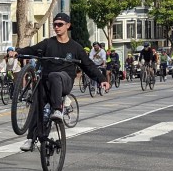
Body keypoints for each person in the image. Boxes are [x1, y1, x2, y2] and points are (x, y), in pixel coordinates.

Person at [15, 13, 108, 151]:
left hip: (64, 81)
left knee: (55, 75)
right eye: (55, 24)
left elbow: (88, 65)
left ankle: (57, 110)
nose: (57, 27)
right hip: (46, 83)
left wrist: (102, 80)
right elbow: (31, 49)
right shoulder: (48, 43)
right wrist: (17, 52)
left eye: (60, 24)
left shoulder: (75, 47)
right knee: (37, 105)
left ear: (68, 26)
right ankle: (31, 139)